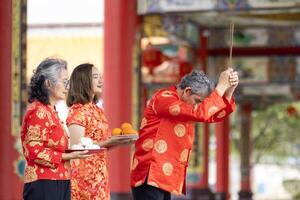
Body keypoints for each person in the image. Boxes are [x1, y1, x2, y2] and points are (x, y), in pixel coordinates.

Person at [131, 68, 239, 200]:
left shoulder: (187, 107)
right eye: (198, 101)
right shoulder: (164, 98)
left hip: (161, 176)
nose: (198, 105)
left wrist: (229, 91)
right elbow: (202, 112)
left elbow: (213, 114)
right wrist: (221, 86)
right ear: (187, 91)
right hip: (149, 172)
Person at [21, 58, 90, 200]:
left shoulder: (50, 111)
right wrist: (68, 156)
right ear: (48, 83)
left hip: (60, 180)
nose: (67, 87)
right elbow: (34, 150)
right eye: (64, 81)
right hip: (43, 182)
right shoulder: (38, 112)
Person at [66, 63, 132, 200]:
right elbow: (76, 149)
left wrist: (118, 141)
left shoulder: (98, 110)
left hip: (100, 174)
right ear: (83, 81)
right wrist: (109, 141)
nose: (101, 80)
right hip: (84, 178)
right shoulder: (77, 111)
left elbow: (101, 144)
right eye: (95, 77)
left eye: (100, 76)